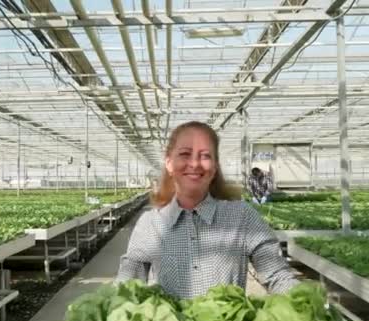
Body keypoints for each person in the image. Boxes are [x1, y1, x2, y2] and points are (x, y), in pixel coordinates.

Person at [115, 121, 297, 299]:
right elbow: (127, 283)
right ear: (169, 163)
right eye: (185, 154)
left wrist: (305, 302)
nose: (195, 164)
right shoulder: (151, 223)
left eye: (205, 156)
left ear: (215, 166)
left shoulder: (242, 216)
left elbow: (276, 275)